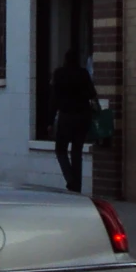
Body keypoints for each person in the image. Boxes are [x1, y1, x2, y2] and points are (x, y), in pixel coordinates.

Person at [50, 46, 98, 194]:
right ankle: (77, 186)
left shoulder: (59, 74)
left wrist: (49, 120)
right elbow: (92, 94)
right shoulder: (83, 73)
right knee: (77, 152)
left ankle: (70, 179)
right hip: (83, 116)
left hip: (66, 116)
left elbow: (54, 99)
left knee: (60, 150)